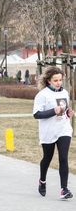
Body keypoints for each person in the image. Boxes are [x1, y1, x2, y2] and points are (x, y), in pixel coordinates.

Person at [33, 66, 74, 199]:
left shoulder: (65, 93)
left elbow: (65, 110)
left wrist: (69, 113)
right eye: (55, 80)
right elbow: (37, 114)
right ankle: (42, 180)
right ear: (49, 81)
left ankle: (64, 189)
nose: (58, 83)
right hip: (48, 131)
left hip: (63, 129)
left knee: (63, 158)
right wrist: (52, 111)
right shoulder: (42, 95)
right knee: (47, 158)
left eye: (60, 80)